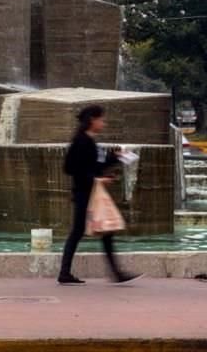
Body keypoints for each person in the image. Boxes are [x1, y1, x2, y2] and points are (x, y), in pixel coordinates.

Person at [58, 104, 143, 285]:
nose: (103, 123)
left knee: (104, 231)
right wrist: (96, 180)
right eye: (101, 119)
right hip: (84, 193)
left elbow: (95, 166)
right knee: (79, 231)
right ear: (92, 120)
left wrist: (116, 157)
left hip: (91, 193)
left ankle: (115, 273)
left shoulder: (89, 141)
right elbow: (71, 168)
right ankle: (65, 273)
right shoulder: (81, 141)